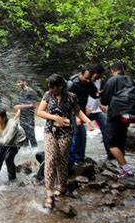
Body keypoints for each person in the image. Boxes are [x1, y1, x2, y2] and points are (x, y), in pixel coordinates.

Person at [37, 74, 93, 210]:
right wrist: (55, 118)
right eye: (49, 87)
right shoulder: (47, 95)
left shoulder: (71, 97)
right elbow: (39, 112)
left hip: (66, 133)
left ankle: (62, 186)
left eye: (52, 88)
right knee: (50, 159)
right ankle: (49, 192)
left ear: (60, 86)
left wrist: (88, 122)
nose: (50, 90)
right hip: (50, 131)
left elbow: (78, 112)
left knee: (62, 160)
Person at [100, 62, 135, 178]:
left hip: (117, 114)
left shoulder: (112, 80)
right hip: (130, 114)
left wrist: (103, 94)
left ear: (113, 70)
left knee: (111, 144)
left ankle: (127, 170)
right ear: (124, 70)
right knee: (120, 141)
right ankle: (123, 167)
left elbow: (104, 101)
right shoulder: (130, 79)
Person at [67, 67, 98, 166]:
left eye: (89, 78)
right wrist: (75, 116)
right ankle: (71, 160)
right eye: (86, 78)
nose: (87, 80)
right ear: (81, 74)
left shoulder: (89, 83)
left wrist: (100, 93)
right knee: (75, 135)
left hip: (81, 111)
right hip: (71, 112)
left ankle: (80, 158)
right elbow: (67, 102)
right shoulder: (72, 84)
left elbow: (94, 95)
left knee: (82, 135)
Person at [85, 64, 113, 160]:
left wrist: (100, 105)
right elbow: (80, 96)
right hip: (84, 111)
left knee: (107, 129)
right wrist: (85, 107)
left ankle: (110, 154)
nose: (99, 76)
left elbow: (95, 95)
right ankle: (77, 157)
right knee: (78, 133)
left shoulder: (99, 81)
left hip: (96, 111)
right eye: (98, 74)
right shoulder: (86, 81)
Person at [13, 76, 38, 147]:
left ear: (24, 82)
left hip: (29, 117)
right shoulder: (20, 93)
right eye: (17, 83)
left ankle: (35, 152)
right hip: (22, 118)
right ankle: (26, 154)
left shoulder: (31, 91)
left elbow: (34, 105)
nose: (18, 84)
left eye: (19, 82)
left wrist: (20, 106)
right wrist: (14, 118)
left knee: (31, 136)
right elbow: (20, 109)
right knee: (24, 137)